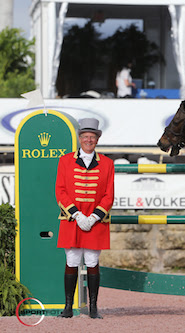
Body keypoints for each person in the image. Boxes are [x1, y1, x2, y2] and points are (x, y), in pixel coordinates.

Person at [56, 118, 115, 319]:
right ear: (79, 139)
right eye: (85, 136)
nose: (88, 140)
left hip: (95, 221)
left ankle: (93, 308)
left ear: (97, 139)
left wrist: (93, 218)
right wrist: (77, 214)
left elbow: (109, 195)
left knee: (92, 261)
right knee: (71, 260)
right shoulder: (65, 161)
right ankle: (67, 307)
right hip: (72, 219)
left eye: (92, 137)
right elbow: (60, 191)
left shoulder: (107, 163)